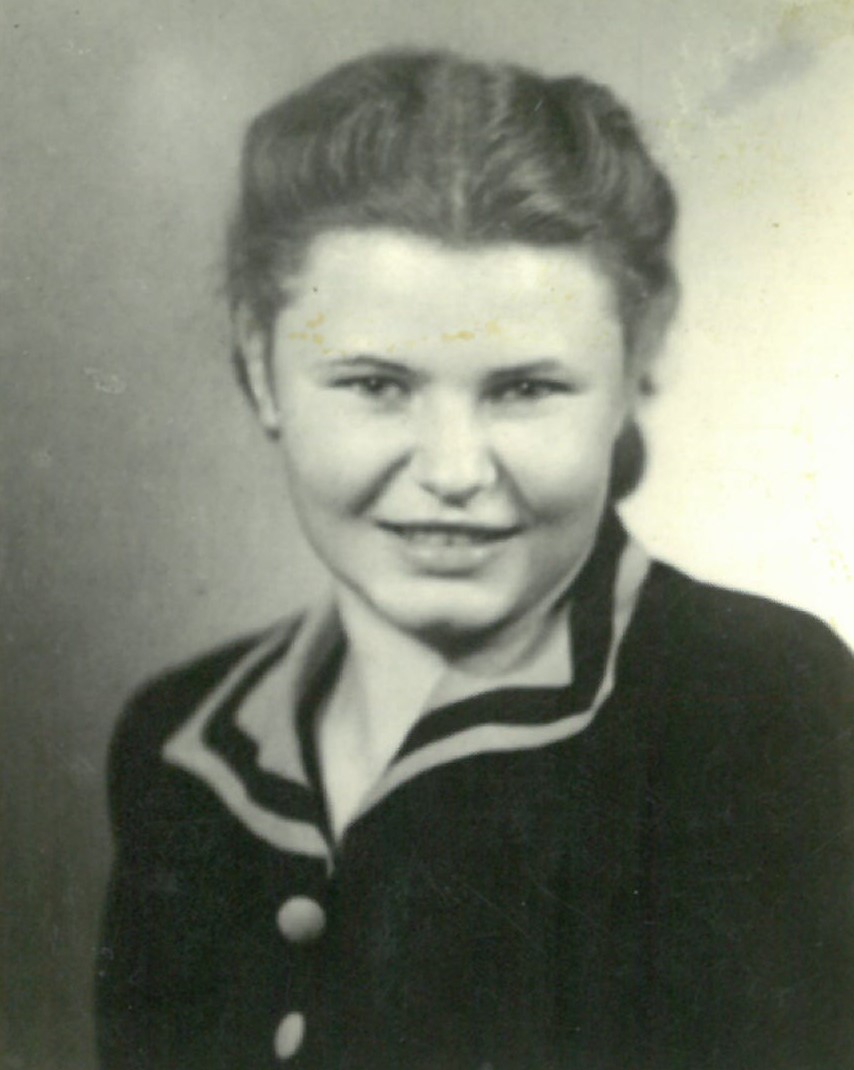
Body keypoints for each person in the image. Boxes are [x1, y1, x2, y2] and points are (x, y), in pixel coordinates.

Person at [95, 49, 854, 1070]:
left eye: (524, 389)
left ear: (634, 369)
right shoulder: (177, 739)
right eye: (375, 385)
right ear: (261, 369)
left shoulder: (754, 707)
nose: (453, 471)